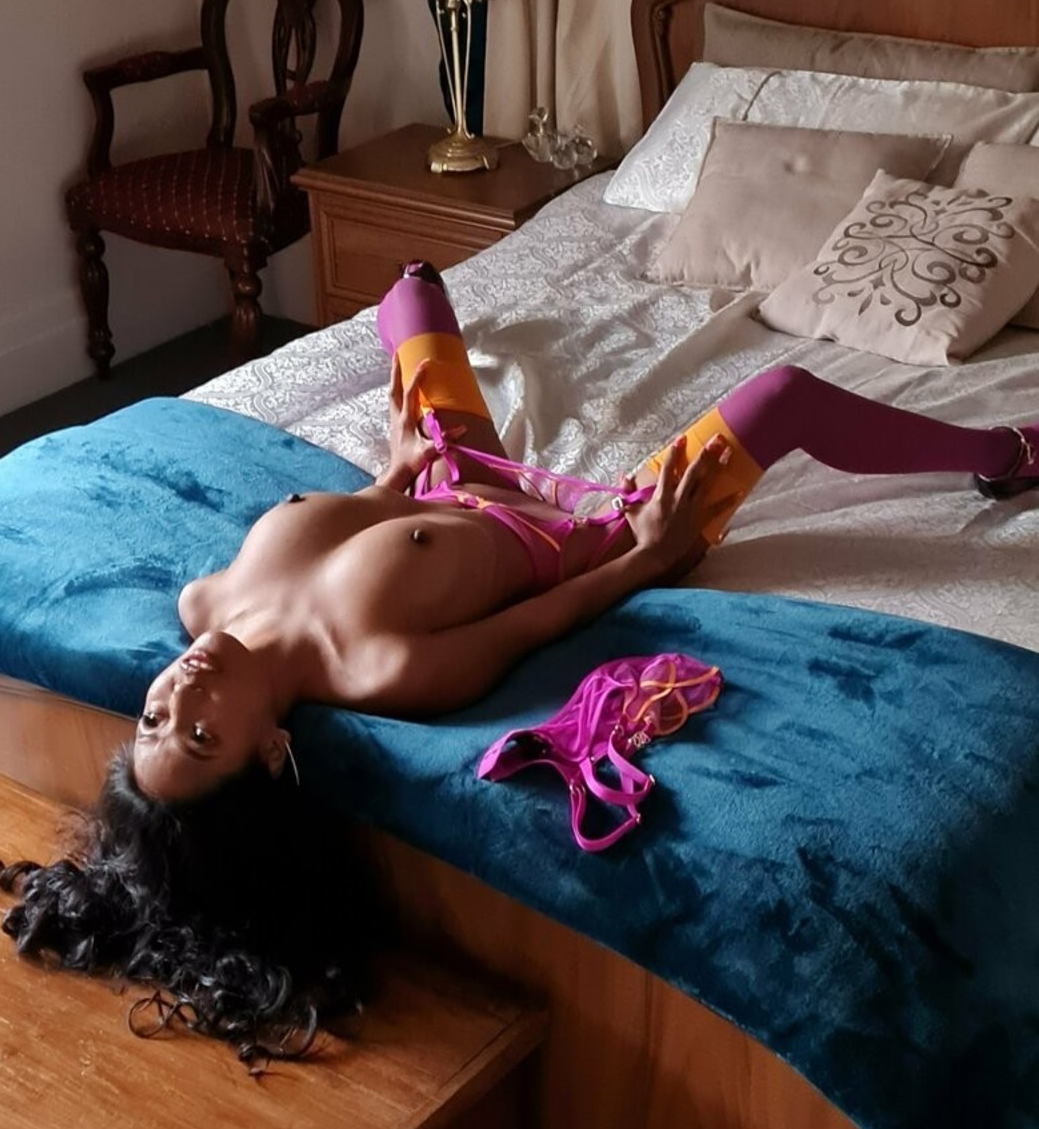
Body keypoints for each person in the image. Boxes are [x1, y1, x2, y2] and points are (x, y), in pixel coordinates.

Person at [131, 260, 1038, 806]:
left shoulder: (205, 600)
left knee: (411, 289)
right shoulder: (377, 669)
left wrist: (395, 473)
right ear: (272, 748)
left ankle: (430, 373)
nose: (182, 696)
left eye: (154, 717)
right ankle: (1004, 453)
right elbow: (541, 621)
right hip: (586, 539)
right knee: (784, 397)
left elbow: (355, 528)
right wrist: (652, 553)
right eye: (200, 736)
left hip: (454, 480)